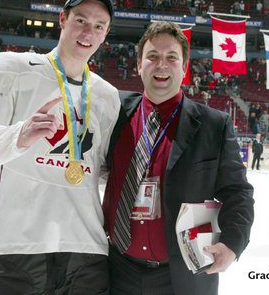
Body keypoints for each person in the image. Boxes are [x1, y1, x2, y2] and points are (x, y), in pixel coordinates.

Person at [0, 0, 119, 294]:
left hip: (86, 251)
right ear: (63, 19)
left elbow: (101, 167)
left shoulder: (108, 96)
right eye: (81, 20)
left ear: (105, 34)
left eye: (99, 26)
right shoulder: (10, 67)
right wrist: (18, 134)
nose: (88, 32)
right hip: (13, 247)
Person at [103, 22, 254, 295]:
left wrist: (232, 244)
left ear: (184, 68)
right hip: (118, 270)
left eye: (171, 57)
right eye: (152, 56)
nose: (162, 65)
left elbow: (238, 192)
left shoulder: (213, 125)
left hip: (184, 276)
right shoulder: (114, 112)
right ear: (139, 64)